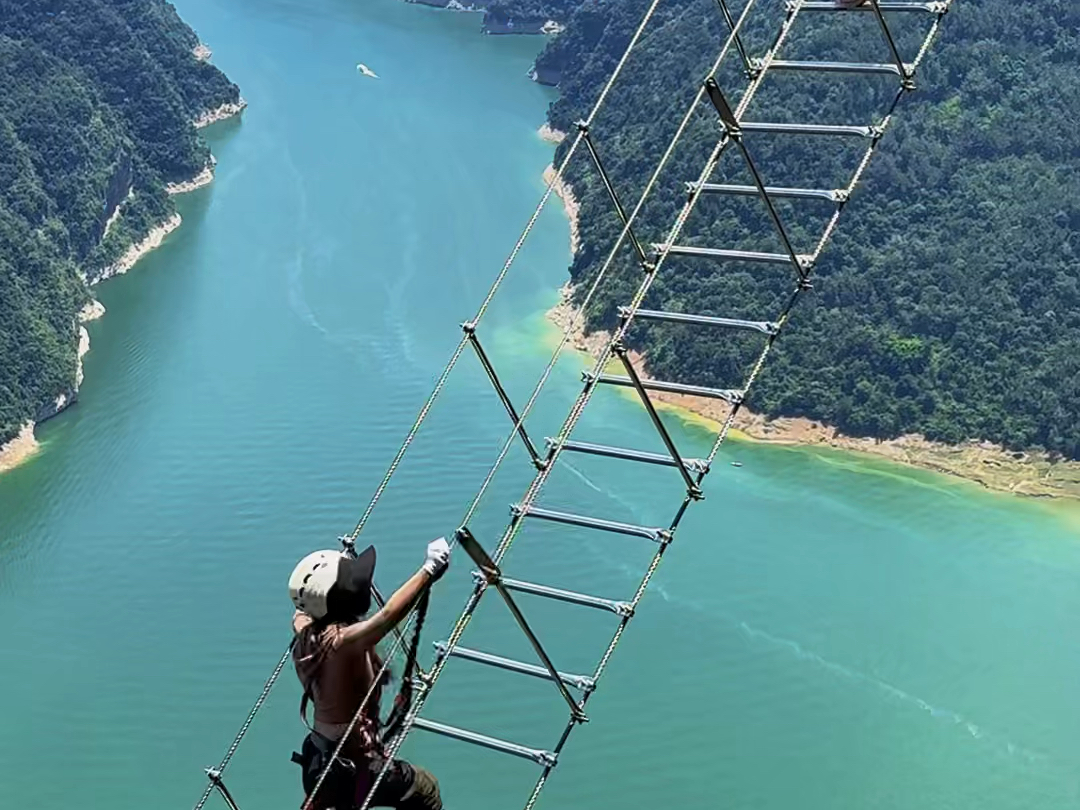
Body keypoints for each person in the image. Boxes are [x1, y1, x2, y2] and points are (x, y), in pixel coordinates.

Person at [289, 538, 451, 810]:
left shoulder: (305, 631)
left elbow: (300, 614)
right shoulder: (343, 643)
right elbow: (387, 616)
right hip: (354, 768)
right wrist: (429, 570)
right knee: (426, 789)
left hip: (319, 760)